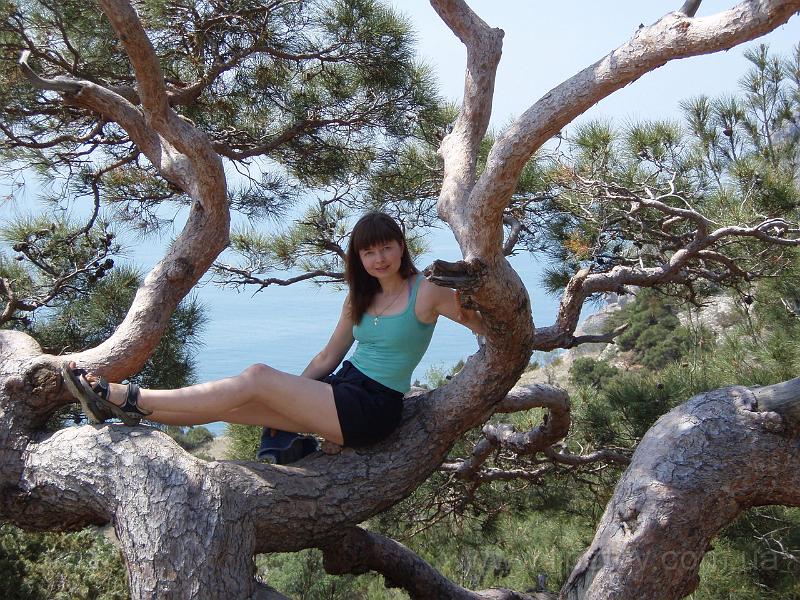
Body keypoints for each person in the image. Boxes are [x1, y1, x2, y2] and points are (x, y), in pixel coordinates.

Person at [62, 212, 485, 457]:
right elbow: (327, 358)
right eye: (368, 251)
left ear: (401, 246)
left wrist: (492, 347)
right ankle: (128, 409)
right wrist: (295, 397)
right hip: (342, 390)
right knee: (235, 407)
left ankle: (126, 394)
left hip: (373, 408)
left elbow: (483, 325)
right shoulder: (360, 296)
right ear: (358, 257)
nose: (379, 258)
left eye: (386, 247)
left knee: (257, 376)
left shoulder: (426, 290)